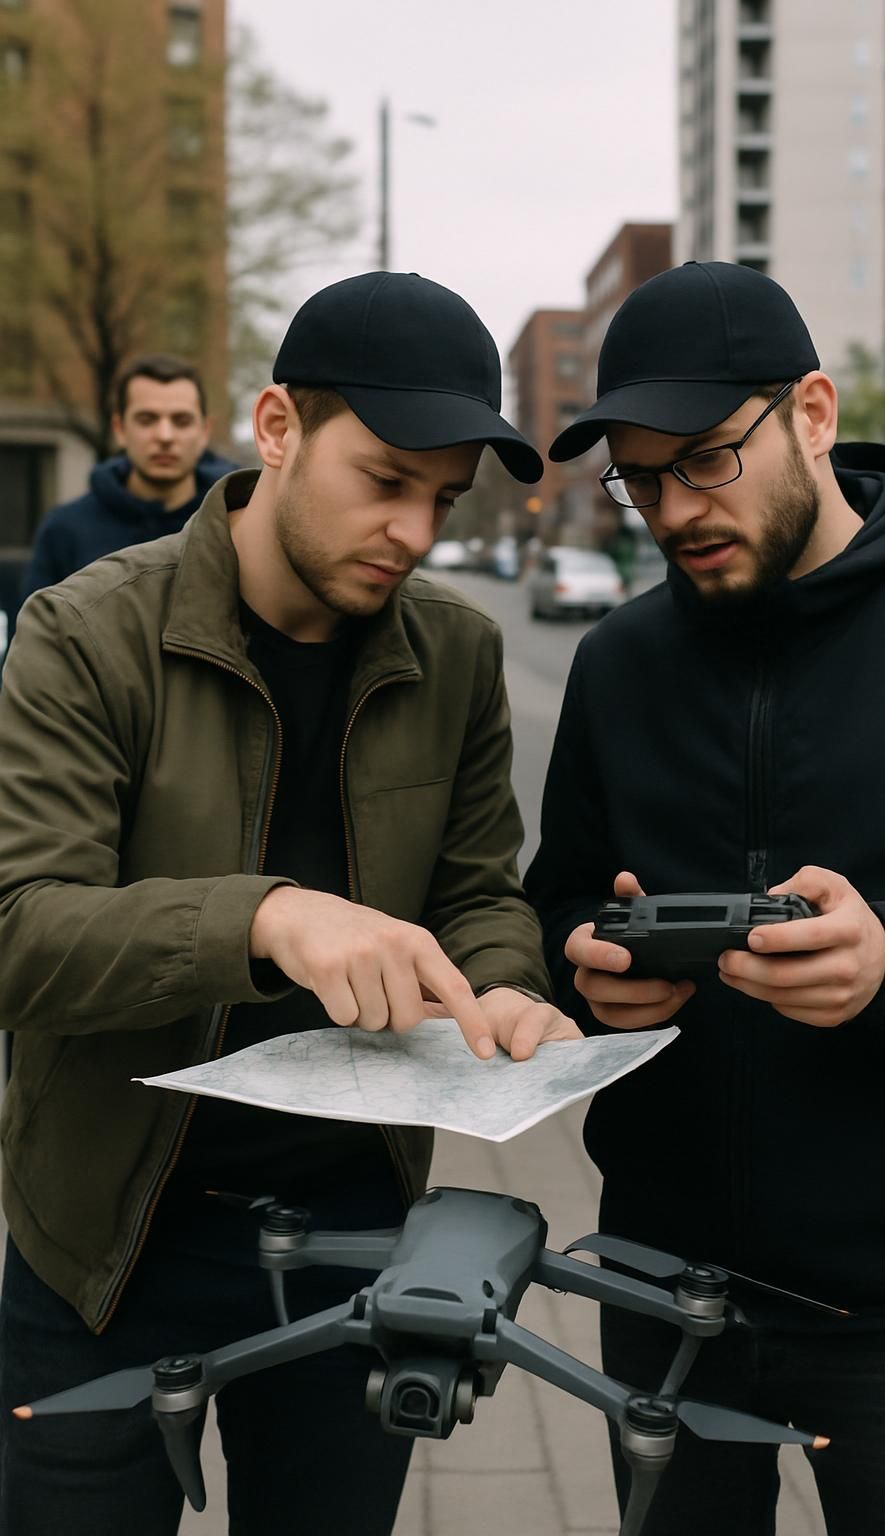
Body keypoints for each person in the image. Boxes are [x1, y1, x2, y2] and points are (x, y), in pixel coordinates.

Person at [0, 271, 579, 1536]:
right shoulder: (85, 631)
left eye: (442, 498)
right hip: (106, 1239)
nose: (416, 531)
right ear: (276, 430)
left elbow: (479, 886)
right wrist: (266, 918)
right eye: (385, 480)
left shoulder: (459, 652)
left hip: (360, 1240)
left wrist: (506, 988)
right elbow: (20, 928)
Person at [524, 260, 885, 1536]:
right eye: (637, 479)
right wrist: (587, 972)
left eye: (703, 458)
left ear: (809, 412)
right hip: (657, 1285)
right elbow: (556, 907)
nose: (670, 509)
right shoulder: (619, 662)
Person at [20, 353, 235, 601]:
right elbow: (33, 633)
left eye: (181, 421)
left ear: (204, 431)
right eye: (147, 419)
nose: (165, 436)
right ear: (120, 429)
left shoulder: (235, 523)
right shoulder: (65, 530)